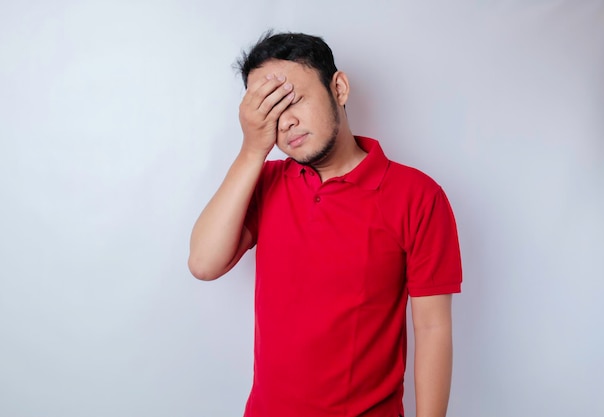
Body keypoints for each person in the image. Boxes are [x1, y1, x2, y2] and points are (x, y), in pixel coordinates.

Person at [188, 31, 462, 417]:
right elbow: (203, 263)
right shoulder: (264, 182)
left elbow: (433, 330)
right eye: (269, 112)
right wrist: (253, 148)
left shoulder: (417, 195)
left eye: (293, 99)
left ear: (339, 87)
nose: (287, 123)